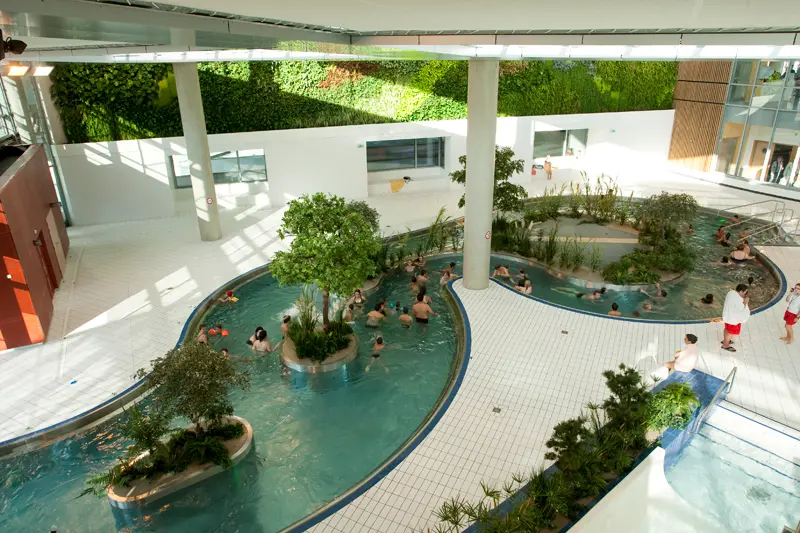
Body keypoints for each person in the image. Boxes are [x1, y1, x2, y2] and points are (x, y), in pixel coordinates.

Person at [721, 283, 751, 352]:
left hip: (727, 316)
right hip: (733, 319)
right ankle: (725, 345)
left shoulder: (731, 293)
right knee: (730, 332)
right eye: (745, 292)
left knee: (726, 328)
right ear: (741, 291)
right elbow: (742, 309)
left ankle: (725, 340)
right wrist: (745, 302)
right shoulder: (739, 300)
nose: (745, 294)